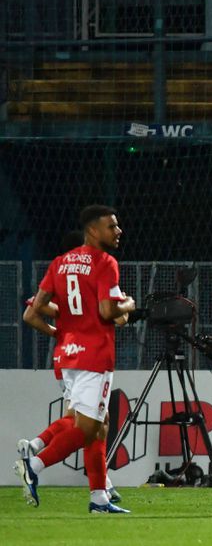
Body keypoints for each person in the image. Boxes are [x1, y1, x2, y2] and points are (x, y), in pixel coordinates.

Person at [16, 205, 136, 512]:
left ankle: (99, 497)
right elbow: (109, 312)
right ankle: (35, 463)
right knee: (85, 428)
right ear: (93, 230)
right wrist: (129, 305)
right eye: (112, 226)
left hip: (68, 355)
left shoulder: (59, 263)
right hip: (95, 356)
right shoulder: (105, 262)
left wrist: (62, 331)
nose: (118, 231)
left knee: (99, 424)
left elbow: (34, 310)